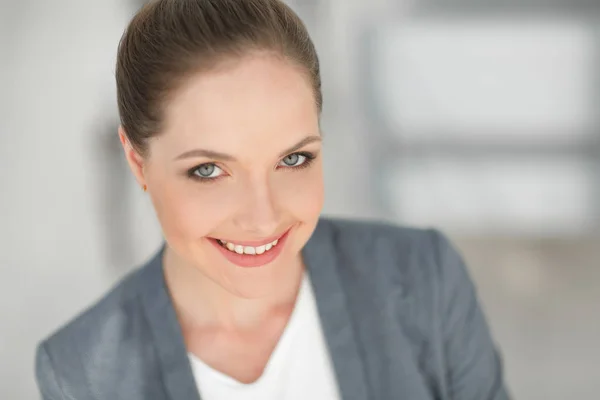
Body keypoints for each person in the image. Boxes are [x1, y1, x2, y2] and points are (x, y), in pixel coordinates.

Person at [34, 1, 510, 399]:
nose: (263, 218)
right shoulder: (82, 373)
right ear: (138, 163)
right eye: (209, 170)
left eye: (294, 159)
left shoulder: (423, 280)